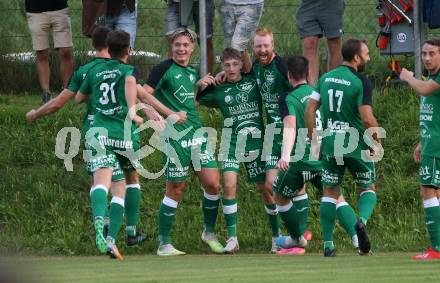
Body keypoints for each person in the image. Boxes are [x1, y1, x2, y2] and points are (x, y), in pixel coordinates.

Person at [143, 28, 223, 256]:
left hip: (196, 133)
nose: (181, 49)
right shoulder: (163, 68)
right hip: (175, 138)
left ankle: (209, 233)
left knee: (213, 185)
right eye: (177, 44)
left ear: (193, 48)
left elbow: (188, 105)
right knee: (176, 188)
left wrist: (197, 87)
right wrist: (157, 115)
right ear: (172, 45)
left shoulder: (190, 71)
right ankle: (164, 244)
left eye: (186, 45)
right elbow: (142, 93)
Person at [274, 55, 360, 255]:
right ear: (308, 73)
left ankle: (297, 238)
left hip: (300, 161)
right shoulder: (318, 93)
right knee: (336, 197)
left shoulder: (288, 98)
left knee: (279, 195)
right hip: (323, 157)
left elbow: (290, 125)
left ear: (288, 75)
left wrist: (285, 155)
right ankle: (357, 238)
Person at [306, 38, 381, 257]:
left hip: (330, 143)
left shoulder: (326, 78)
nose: (368, 57)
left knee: (330, 193)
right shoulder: (361, 81)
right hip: (355, 143)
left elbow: (310, 109)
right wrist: (376, 142)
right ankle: (361, 222)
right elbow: (367, 118)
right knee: (367, 187)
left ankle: (328, 246)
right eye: (366, 54)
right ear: (356, 57)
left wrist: (314, 139)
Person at [76, 30, 146, 260]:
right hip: (121, 134)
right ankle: (111, 238)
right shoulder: (128, 71)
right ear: (128, 50)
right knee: (121, 185)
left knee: (101, 181)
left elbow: (78, 97)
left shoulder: (95, 70)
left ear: (108, 47)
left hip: (99, 133)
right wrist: (133, 112)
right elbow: (129, 83)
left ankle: (99, 225)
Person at [196, 47, 269, 253]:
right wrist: (199, 84)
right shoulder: (218, 89)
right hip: (232, 143)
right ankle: (233, 238)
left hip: (256, 143)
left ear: (241, 64)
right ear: (222, 66)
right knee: (228, 186)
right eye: (226, 65)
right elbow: (193, 100)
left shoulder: (253, 81)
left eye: (235, 64)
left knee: (267, 191)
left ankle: (276, 237)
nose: (231, 68)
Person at [400, 39, 440, 260]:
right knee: (436, 192)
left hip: (436, 145)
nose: (426, 58)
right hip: (431, 142)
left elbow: (424, 89)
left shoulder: (434, 79)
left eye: (432, 53)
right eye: (424, 53)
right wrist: (421, 141)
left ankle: (436, 249)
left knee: (427, 190)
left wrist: (408, 77)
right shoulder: (433, 77)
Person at [25, 0, 74, 105]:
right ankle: (46, 94)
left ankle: (67, 91)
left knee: (66, 52)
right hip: (35, 12)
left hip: (60, 9)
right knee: (42, 53)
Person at [296, 0, 345, 86]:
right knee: (309, 43)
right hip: (308, 3)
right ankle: (311, 90)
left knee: (334, 43)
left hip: (331, 4)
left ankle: (332, 87)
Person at [165, 0, 215, 73]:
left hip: (202, 3)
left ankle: (208, 80)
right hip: (176, 3)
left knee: (206, 41)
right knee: (173, 40)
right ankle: (175, 79)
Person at [220, 0, 264, 72]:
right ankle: (249, 78)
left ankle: (241, 79)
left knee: (236, 46)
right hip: (227, 4)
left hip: (251, 4)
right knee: (233, 47)